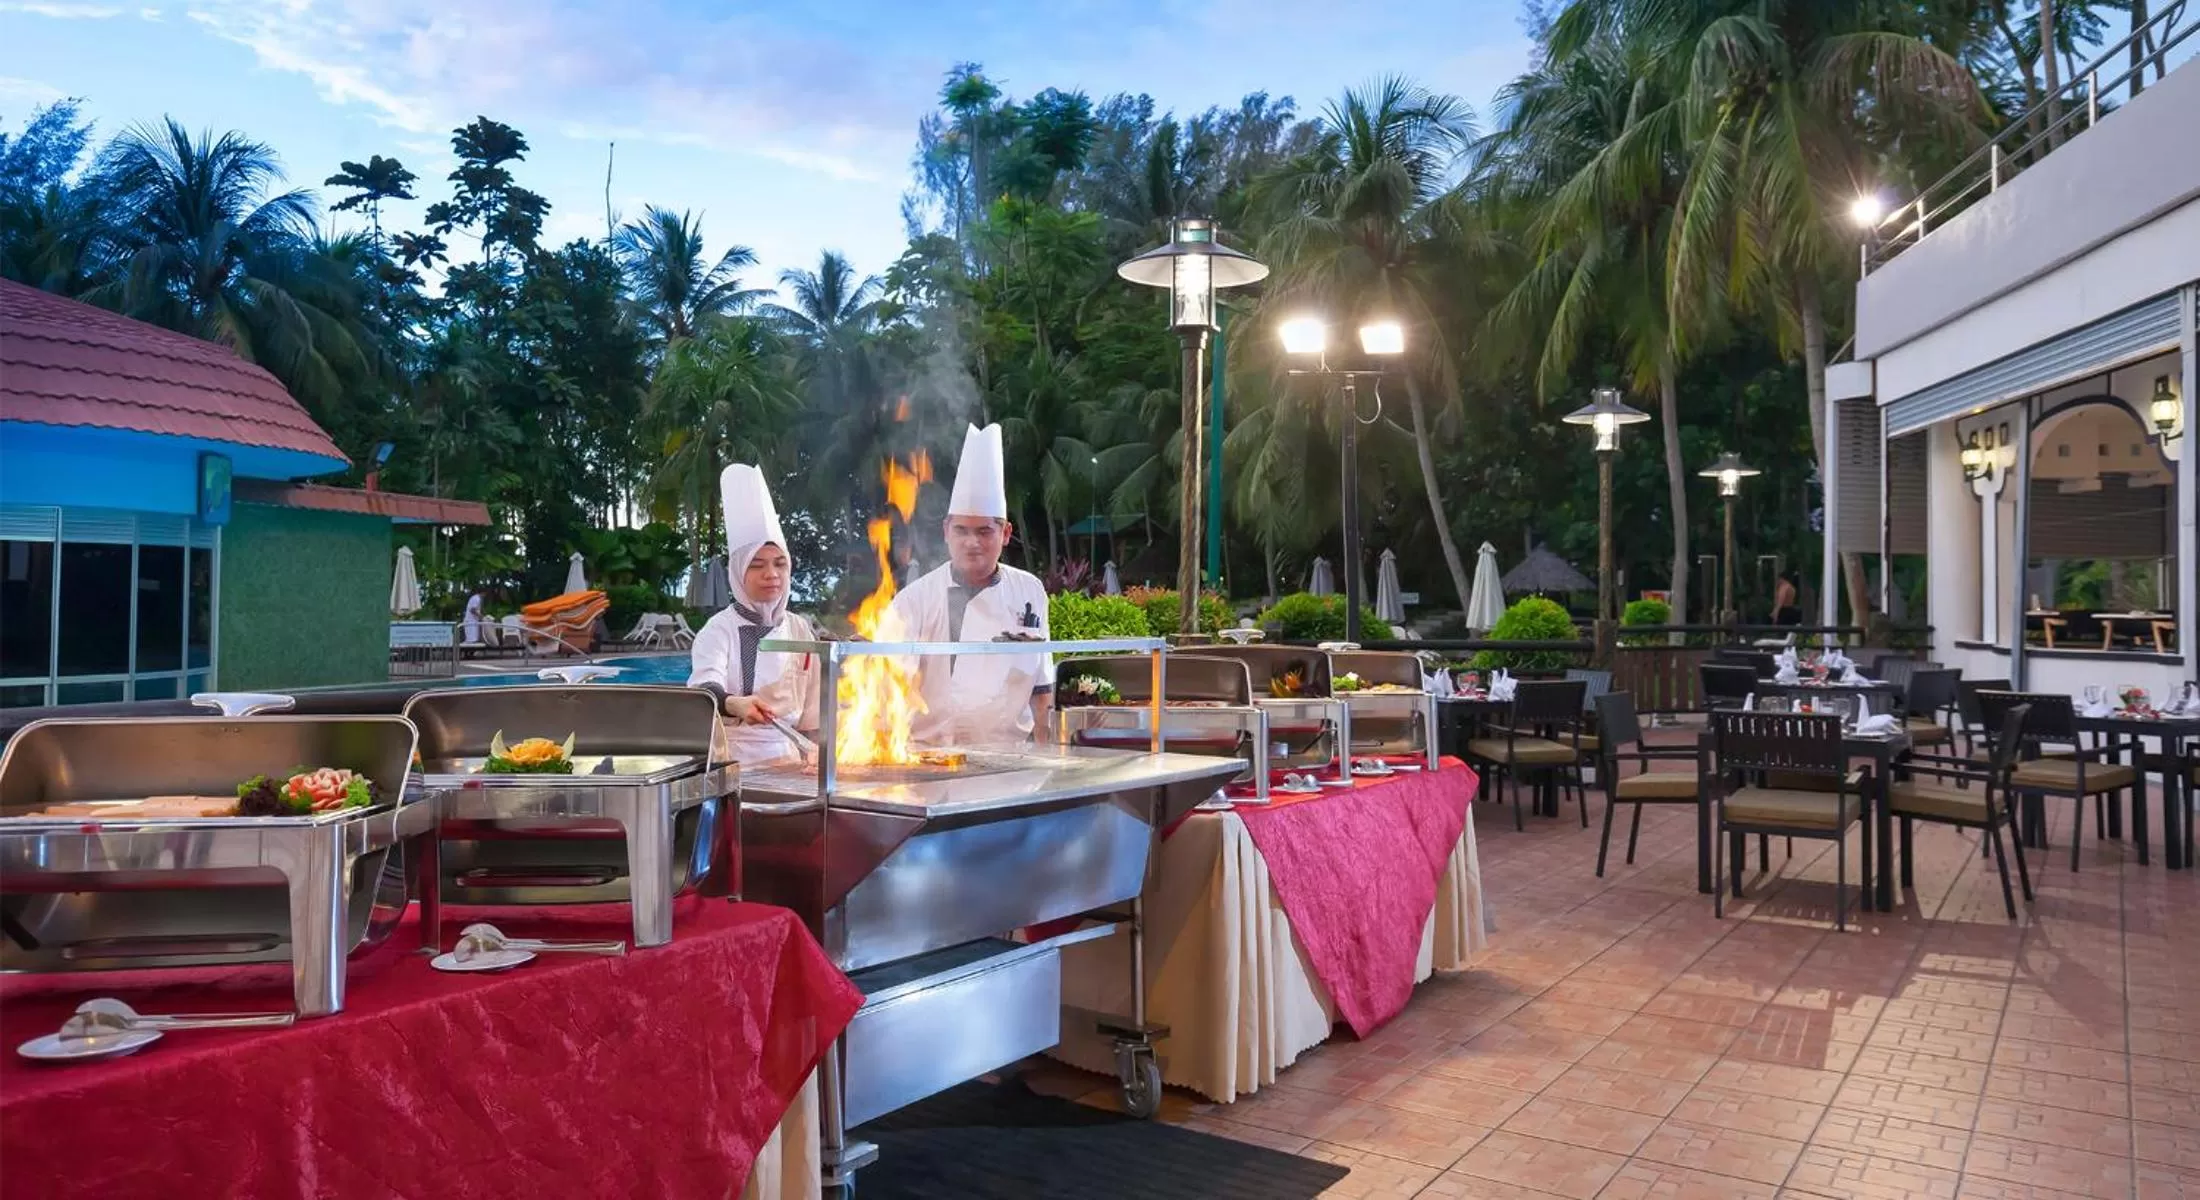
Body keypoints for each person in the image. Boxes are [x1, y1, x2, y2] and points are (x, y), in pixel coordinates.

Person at [887, 423, 1054, 744]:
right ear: (946, 532)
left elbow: (1041, 688)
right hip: (928, 755)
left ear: (1005, 534)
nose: (972, 543)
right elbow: (890, 687)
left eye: (984, 531)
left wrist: (1049, 758)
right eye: (962, 531)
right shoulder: (913, 600)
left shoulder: (1030, 591)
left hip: (1007, 754)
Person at [688, 464, 821, 763]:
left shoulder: (800, 629)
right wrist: (736, 704)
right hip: (732, 760)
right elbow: (702, 689)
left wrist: (817, 757)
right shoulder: (718, 629)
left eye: (780, 564)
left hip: (790, 762)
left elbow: (812, 712)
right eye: (757, 565)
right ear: (737, 573)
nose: (771, 574)